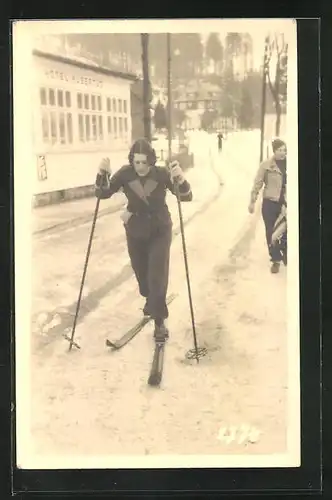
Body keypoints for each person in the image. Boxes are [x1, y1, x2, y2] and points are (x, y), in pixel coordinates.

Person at [95, 138, 193, 340]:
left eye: (144, 162)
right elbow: (102, 193)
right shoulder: (125, 173)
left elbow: (186, 196)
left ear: (151, 161)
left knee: (157, 275)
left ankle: (159, 322)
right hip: (135, 230)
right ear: (132, 161)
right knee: (142, 275)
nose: (140, 167)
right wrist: (101, 174)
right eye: (136, 162)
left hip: (159, 229)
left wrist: (180, 180)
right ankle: (150, 299)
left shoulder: (161, 174)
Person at [248, 138, 287, 274]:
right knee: (271, 232)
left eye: (284, 150)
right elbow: (258, 183)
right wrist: (252, 201)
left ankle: (285, 251)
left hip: (285, 204)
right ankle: (275, 260)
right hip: (270, 203)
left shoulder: (291, 164)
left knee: (285, 230)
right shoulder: (266, 165)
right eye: (279, 150)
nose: (282, 153)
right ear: (274, 151)